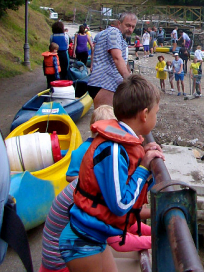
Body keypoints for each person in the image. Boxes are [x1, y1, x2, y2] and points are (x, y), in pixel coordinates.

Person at [58, 75, 163, 272]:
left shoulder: (122, 145)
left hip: (90, 238)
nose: (157, 118)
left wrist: (146, 166)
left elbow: (131, 187)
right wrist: (143, 168)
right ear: (145, 114)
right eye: (157, 113)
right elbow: (121, 204)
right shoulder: (114, 149)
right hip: (82, 243)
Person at [87, 12, 137, 110]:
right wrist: (130, 81)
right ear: (119, 23)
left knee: (104, 119)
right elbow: (117, 58)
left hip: (103, 83)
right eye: (127, 25)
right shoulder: (114, 32)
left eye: (133, 27)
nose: (130, 29)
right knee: (105, 120)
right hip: (105, 83)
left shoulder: (115, 36)